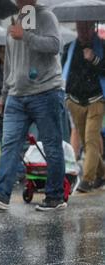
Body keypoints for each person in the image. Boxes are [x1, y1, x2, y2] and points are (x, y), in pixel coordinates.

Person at [0, 0, 67, 212]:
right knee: (9, 144)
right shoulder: (14, 20)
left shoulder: (45, 17)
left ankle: (55, 196)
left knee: (52, 146)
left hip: (46, 92)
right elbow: (10, 63)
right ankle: (1, 194)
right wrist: (4, 95)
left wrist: (25, 36)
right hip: (16, 95)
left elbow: (55, 46)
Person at [62, 21, 105, 192]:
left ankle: (87, 179)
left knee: (90, 138)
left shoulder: (101, 46)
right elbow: (64, 71)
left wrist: (94, 59)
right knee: (87, 143)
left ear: (92, 27)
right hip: (75, 101)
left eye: (86, 28)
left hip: (96, 100)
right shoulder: (69, 48)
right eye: (80, 28)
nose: (83, 31)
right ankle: (102, 174)